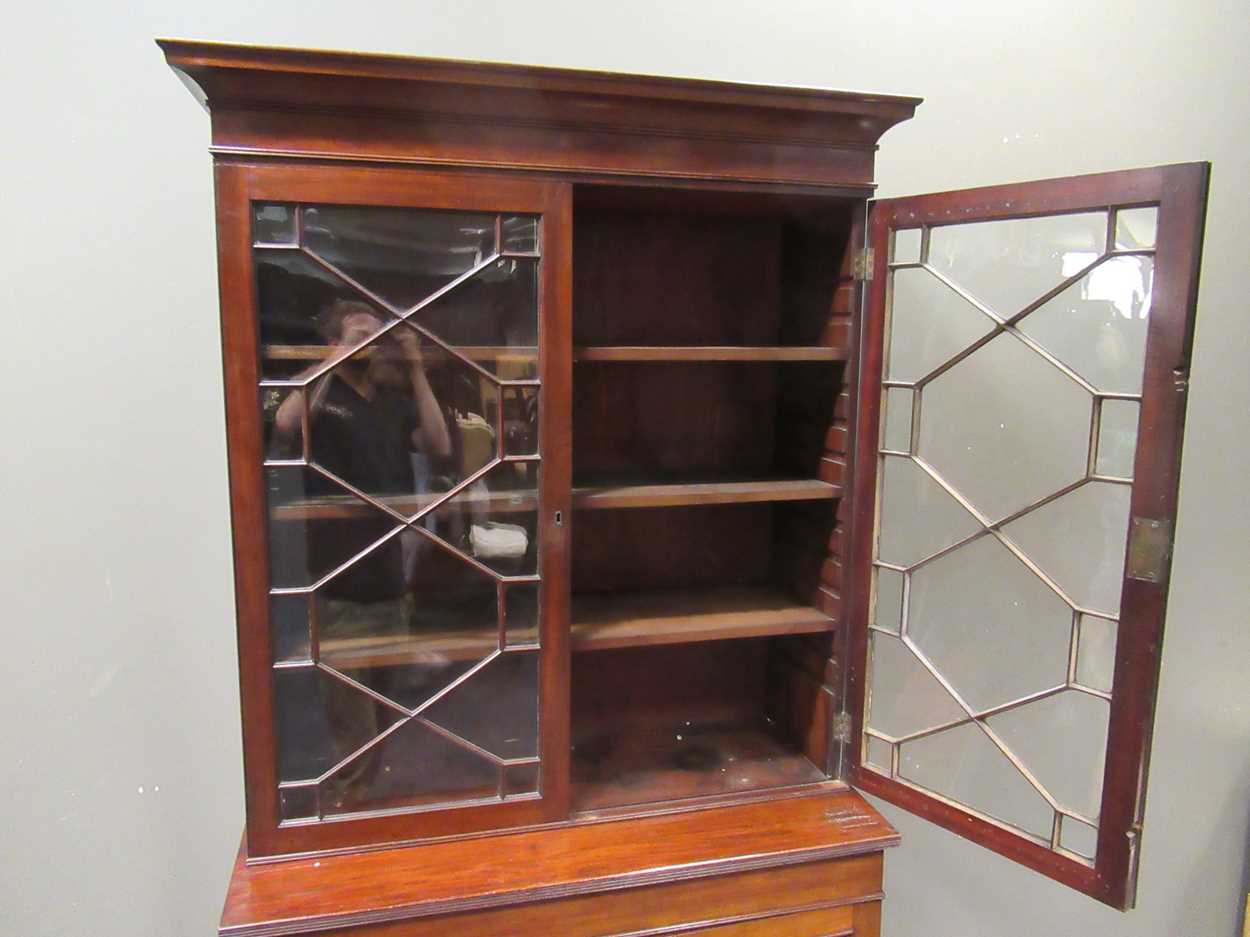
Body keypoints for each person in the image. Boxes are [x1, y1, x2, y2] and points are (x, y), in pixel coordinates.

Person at [273, 299, 452, 804]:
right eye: (358, 334)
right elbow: (286, 423)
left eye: (377, 335)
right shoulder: (323, 400)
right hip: (340, 583)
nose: (372, 343)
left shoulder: (389, 403)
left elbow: (439, 445)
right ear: (332, 344)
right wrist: (336, 356)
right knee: (351, 723)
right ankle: (347, 812)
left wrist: (416, 368)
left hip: (390, 579)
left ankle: (359, 801)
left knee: (385, 709)